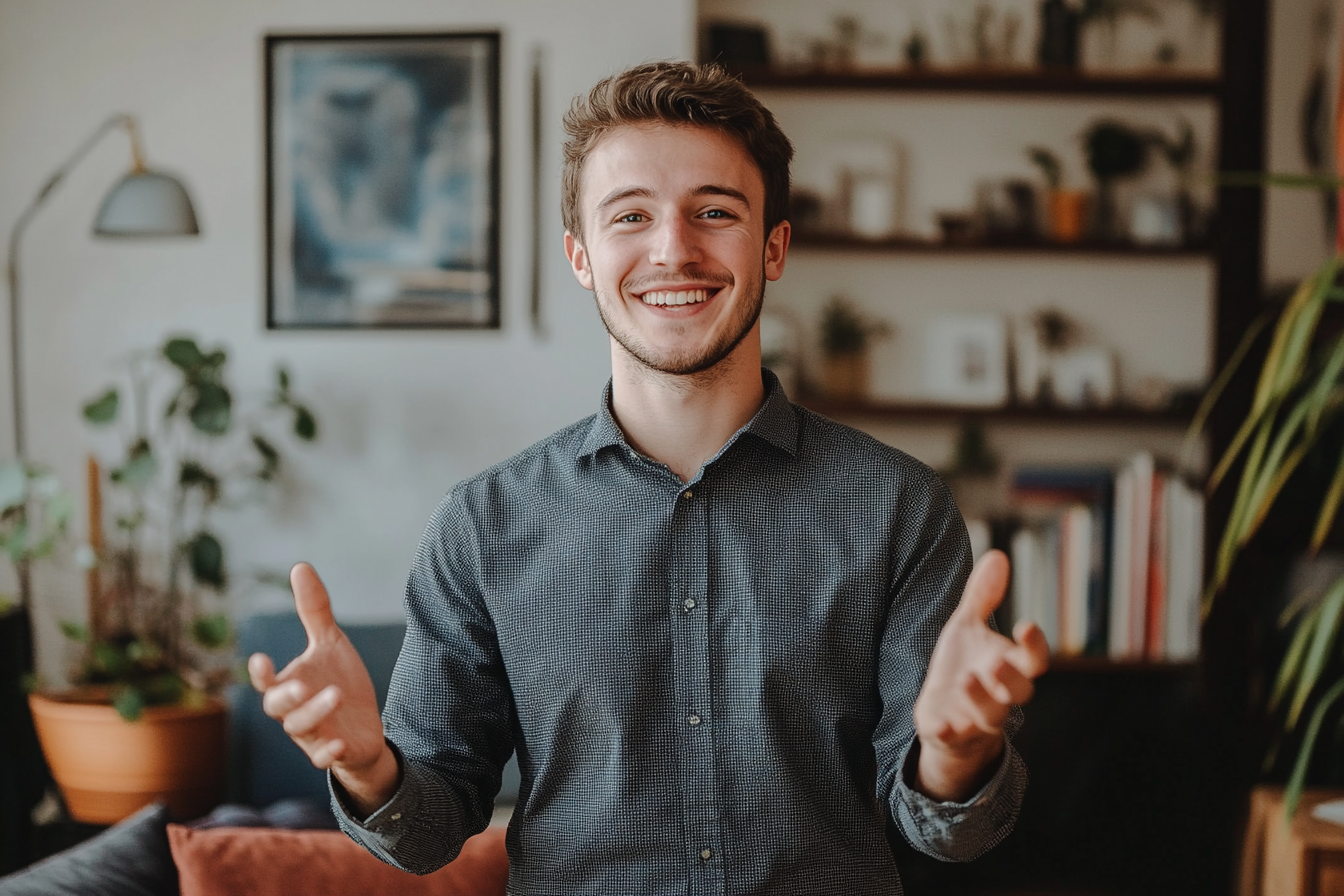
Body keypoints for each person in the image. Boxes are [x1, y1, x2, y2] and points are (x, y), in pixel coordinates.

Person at [249, 60, 1050, 895]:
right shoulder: (485, 523)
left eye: (714, 211)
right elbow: (430, 830)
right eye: (631, 215)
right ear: (582, 257)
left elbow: (945, 836)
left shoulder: (899, 509)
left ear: (773, 246)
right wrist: (367, 765)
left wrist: (957, 754)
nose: (674, 248)